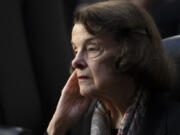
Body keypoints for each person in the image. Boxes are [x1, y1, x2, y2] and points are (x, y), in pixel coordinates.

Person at [46, 1, 180, 135]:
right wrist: (57, 126)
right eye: (75, 50)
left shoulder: (172, 123)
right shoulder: (79, 122)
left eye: (92, 48)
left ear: (131, 52)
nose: (75, 62)